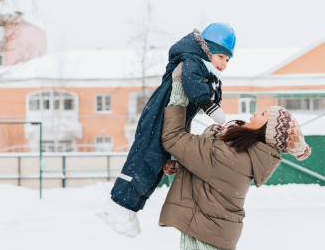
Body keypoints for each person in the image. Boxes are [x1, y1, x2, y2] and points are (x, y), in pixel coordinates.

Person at [159, 69, 311, 250]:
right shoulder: (239, 154)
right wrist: (182, 166)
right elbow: (209, 175)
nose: (255, 113)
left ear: (266, 132)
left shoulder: (232, 158)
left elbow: (173, 137)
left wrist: (178, 89)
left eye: (262, 115)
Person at [99, 23, 236, 237]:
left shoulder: (203, 67)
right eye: (221, 57)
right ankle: (117, 205)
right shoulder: (191, 62)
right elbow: (192, 84)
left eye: (228, 60)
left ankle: (129, 209)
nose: (224, 63)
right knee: (145, 159)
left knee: (155, 166)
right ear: (207, 49)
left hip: (173, 117)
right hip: (158, 115)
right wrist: (209, 106)